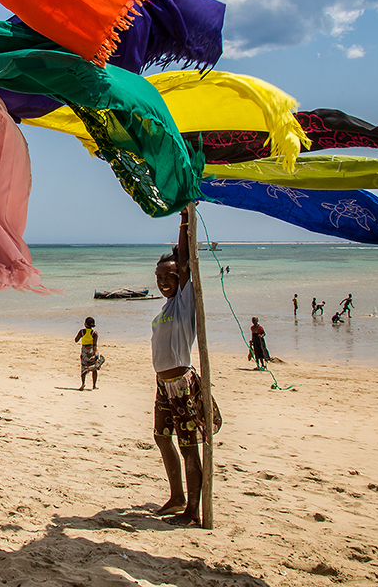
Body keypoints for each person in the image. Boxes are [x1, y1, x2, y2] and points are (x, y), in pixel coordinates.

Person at [150, 206, 222, 527]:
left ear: (180, 278)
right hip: (163, 384)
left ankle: (193, 510)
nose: (164, 281)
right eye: (159, 277)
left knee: (188, 445)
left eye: (170, 276)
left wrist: (184, 220)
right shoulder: (166, 307)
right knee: (161, 437)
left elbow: (185, 261)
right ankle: (177, 496)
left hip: (181, 382)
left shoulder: (183, 300)